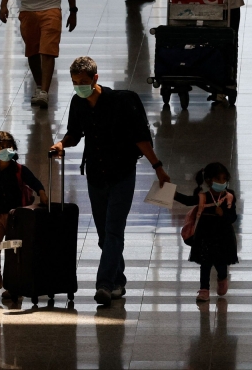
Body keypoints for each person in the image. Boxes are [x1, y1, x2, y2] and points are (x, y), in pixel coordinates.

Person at [50, 56, 171, 307]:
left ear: (95, 78)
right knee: (104, 236)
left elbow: (140, 137)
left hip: (122, 174)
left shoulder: (121, 102)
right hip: (96, 175)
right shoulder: (78, 102)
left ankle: (104, 284)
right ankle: (119, 280)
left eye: (83, 82)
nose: (79, 87)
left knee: (114, 230)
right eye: (74, 82)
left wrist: (157, 166)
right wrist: (62, 144)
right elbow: (75, 133)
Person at [0, 131, 47, 299]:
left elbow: (34, 181)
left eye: (9, 147)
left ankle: (14, 284)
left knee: (12, 251)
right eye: (1, 147)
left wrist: (42, 193)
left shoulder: (19, 170)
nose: (5, 150)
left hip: (15, 217)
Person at [173, 163, 238, 302]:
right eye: (218, 179)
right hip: (205, 236)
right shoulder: (203, 197)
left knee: (221, 263)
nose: (222, 183)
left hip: (223, 236)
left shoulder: (229, 197)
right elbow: (187, 201)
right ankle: (204, 290)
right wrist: (172, 194)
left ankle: (222, 278)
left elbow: (233, 217)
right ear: (208, 181)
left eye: (224, 179)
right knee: (205, 263)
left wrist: (223, 214)